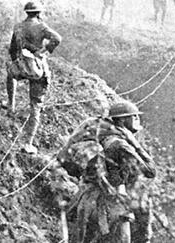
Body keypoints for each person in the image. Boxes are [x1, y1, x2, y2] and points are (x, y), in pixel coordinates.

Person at [57, 100, 156, 243]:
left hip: (86, 196)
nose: (137, 119)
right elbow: (150, 171)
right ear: (122, 120)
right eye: (133, 116)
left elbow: (66, 160)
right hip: (113, 200)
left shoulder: (95, 130)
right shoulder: (121, 144)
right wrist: (135, 143)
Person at [7, 1, 62, 154]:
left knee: (10, 74)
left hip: (22, 65)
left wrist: (17, 62)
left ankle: (11, 105)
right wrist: (43, 52)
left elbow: (12, 49)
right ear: (38, 13)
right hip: (38, 67)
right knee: (36, 105)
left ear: (26, 12)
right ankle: (28, 143)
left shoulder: (18, 26)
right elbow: (57, 38)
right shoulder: (41, 27)